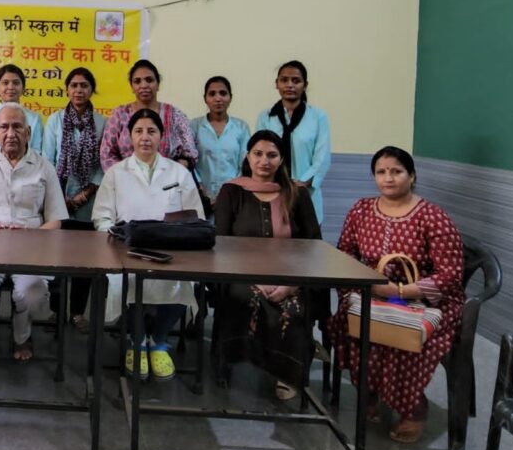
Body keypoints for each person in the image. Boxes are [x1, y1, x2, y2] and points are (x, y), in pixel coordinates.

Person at [330, 146, 464, 443]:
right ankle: (370, 392)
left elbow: (450, 274)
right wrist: (362, 284)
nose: (388, 178)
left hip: (424, 300)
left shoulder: (432, 217)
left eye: (396, 171)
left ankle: (413, 409)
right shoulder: (362, 210)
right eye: (381, 172)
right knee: (351, 321)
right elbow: (345, 252)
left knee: (401, 335)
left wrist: (400, 291)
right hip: (372, 291)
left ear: (412, 176)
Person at [91, 108, 204, 381]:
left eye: (151, 131)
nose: (145, 137)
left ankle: (159, 340)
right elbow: (102, 216)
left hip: (171, 250)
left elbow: (195, 217)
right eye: (139, 131)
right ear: (130, 137)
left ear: (161, 137)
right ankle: (137, 340)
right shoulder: (116, 173)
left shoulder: (179, 172)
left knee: (185, 284)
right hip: (126, 250)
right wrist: (117, 237)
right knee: (125, 282)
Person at [213, 129, 322, 401]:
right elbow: (221, 244)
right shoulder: (231, 191)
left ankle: (286, 372)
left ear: (282, 159)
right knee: (250, 299)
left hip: (290, 276)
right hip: (241, 275)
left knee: (293, 308)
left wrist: (291, 284)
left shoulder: (297, 193)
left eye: (272, 155)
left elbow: (314, 247)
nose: (264, 161)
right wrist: (254, 280)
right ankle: (255, 361)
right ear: (248, 157)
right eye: (258, 154)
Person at [0, 103, 69, 362]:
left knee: (33, 293)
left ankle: (22, 335)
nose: (11, 133)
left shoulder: (44, 167)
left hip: (32, 249)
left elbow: (55, 220)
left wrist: (32, 235)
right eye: (4, 127)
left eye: (17, 127)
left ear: (28, 133)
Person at [42, 67, 105, 331]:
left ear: (92, 90)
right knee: (56, 256)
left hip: (90, 198)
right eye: (74, 85)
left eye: (84, 85)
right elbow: (47, 160)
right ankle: (56, 311)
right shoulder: (55, 120)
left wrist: (84, 194)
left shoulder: (102, 122)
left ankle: (78, 312)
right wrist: (60, 197)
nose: (79, 90)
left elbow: (103, 163)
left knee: (83, 259)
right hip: (58, 195)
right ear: (67, 90)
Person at [256, 60, 331, 222]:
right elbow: (260, 154)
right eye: (284, 80)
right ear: (277, 84)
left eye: (296, 81)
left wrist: (303, 183)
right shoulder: (266, 117)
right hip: (272, 190)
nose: (289, 85)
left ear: (305, 85)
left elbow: (322, 157)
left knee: (308, 234)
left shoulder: (317, 117)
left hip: (306, 192)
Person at [100, 59, 197, 172]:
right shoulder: (119, 115)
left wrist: (175, 170)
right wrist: (127, 176)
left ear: (158, 84)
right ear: (132, 87)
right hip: (126, 180)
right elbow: (107, 155)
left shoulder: (175, 115)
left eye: (149, 80)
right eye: (137, 81)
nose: (144, 85)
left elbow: (190, 153)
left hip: (168, 179)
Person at [191, 76, 251, 206]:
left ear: (230, 97)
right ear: (205, 98)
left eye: (223, 93)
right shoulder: (194, 126)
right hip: (200, 195)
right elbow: (190, 162)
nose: (218, 98)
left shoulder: (241, 127)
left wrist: (231, 189)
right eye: (212, 94)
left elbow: (245, 163)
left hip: (234, 195)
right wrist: (200, 188)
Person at [0, 64, 44, 158]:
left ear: (23, 88)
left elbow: (36, 153)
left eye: (16, 83)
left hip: (27, 167)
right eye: (5, 83)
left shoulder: (35, 118)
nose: (11, 87)